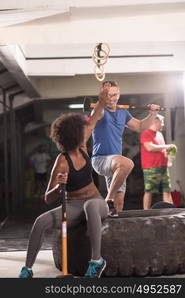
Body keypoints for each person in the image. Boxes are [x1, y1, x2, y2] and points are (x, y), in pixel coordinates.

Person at [19, 113, 108, 278]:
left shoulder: (83, 148)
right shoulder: (61, 162)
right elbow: (47, 198)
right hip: (73, 206)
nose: (84, 133)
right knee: (40, 222)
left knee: (90, 205)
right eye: (80, 130)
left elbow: (93, 120)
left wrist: (102, 102)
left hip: (96, 202)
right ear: (73, 134)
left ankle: (96, 261)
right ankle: (27, 269)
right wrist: (60, 187)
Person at [90, 80, 160, 216]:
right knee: (127, 163)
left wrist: (153, 114)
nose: (112, 98)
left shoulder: (123, 113)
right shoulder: (100, 111)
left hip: (117, 165)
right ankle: (108, 199)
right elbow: (97, 111)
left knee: (119, 201)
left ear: (119, 94)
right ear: (103, 95)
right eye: (108, 95)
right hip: (101, 160)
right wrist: (101, 100)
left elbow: (140, 126)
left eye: (114, 95)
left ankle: (111, 230)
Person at [140, 114, 175, 210]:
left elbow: (163, 149)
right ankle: (146, 212)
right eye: (161, 122)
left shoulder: (159, 134)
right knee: (149, 190)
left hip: (163, 166)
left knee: (167, 189)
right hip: (151, 167)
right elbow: (150, 147)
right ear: (155, 122)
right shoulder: (146, 133)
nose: (163, 124)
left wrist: (169, 158)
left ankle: (170, 211)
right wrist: (167, 146)